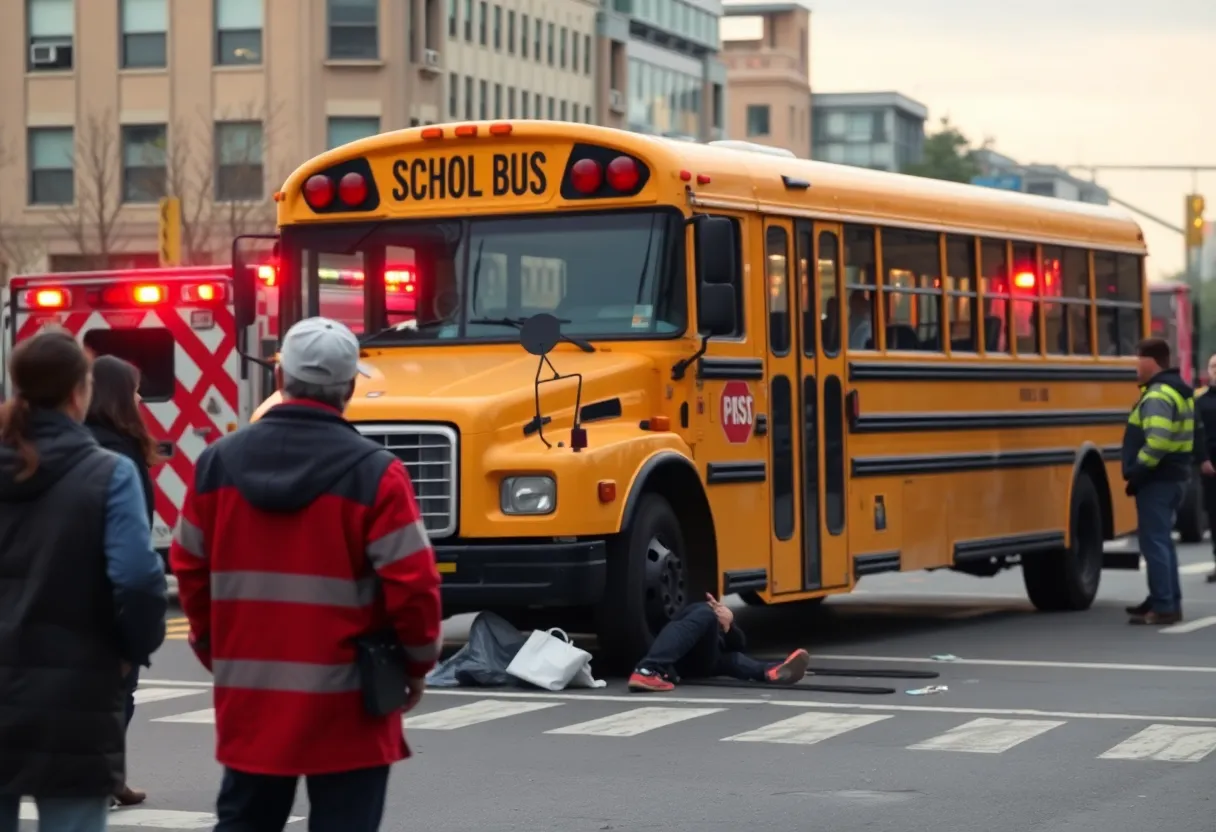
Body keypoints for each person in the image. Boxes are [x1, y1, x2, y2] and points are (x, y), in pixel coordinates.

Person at [170, 317, 443, 832]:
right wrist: (415, 665)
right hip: (350, 698)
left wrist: (215, 647)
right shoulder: (377, 472)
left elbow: (189, 567)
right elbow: (414, 586)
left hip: (250, 689)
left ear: (279, 380)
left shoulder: (216, 463)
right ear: (348, 389)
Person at [0, 330, 167, 832]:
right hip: (75, 685)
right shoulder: (108, 472)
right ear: (79, 392)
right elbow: (138, 577)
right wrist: (132, 648)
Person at [86, 355, 164, 808]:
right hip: (108, 591)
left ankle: (109, 776)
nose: (140, 398)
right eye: (135, 390)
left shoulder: (86, 443)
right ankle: (104, 778)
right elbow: (132, 555)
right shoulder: (118, 453)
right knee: (117, 693)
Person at [1122, 338, 1207, 625]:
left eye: (1138, 358)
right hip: (1176, 475)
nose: (1135, 365)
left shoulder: (1158, 395)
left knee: (1154, 542)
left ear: (1151, 361)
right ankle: (1166, 598)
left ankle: (1164, 605)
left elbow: (1156, 442)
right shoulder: (1180, 391)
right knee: (1163, 543)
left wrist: (1137, 471)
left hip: (1158, 479)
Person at [628, 594, 811, 692]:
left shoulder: (716, 626)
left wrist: (728, 624)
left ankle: (772, 672)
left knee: (734, 659)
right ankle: (648, 669)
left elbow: (739, 646)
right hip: (680, 659)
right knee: (704, 612)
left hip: (701, 662)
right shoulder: (695, 613)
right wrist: (712, 613)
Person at [1193, 352, 1216, 583]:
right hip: (1211, 466)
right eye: (1212, 366)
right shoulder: (1199, 401)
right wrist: (1202, 459)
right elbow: (1196, 434)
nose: (1215, 370)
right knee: (1214, 516)